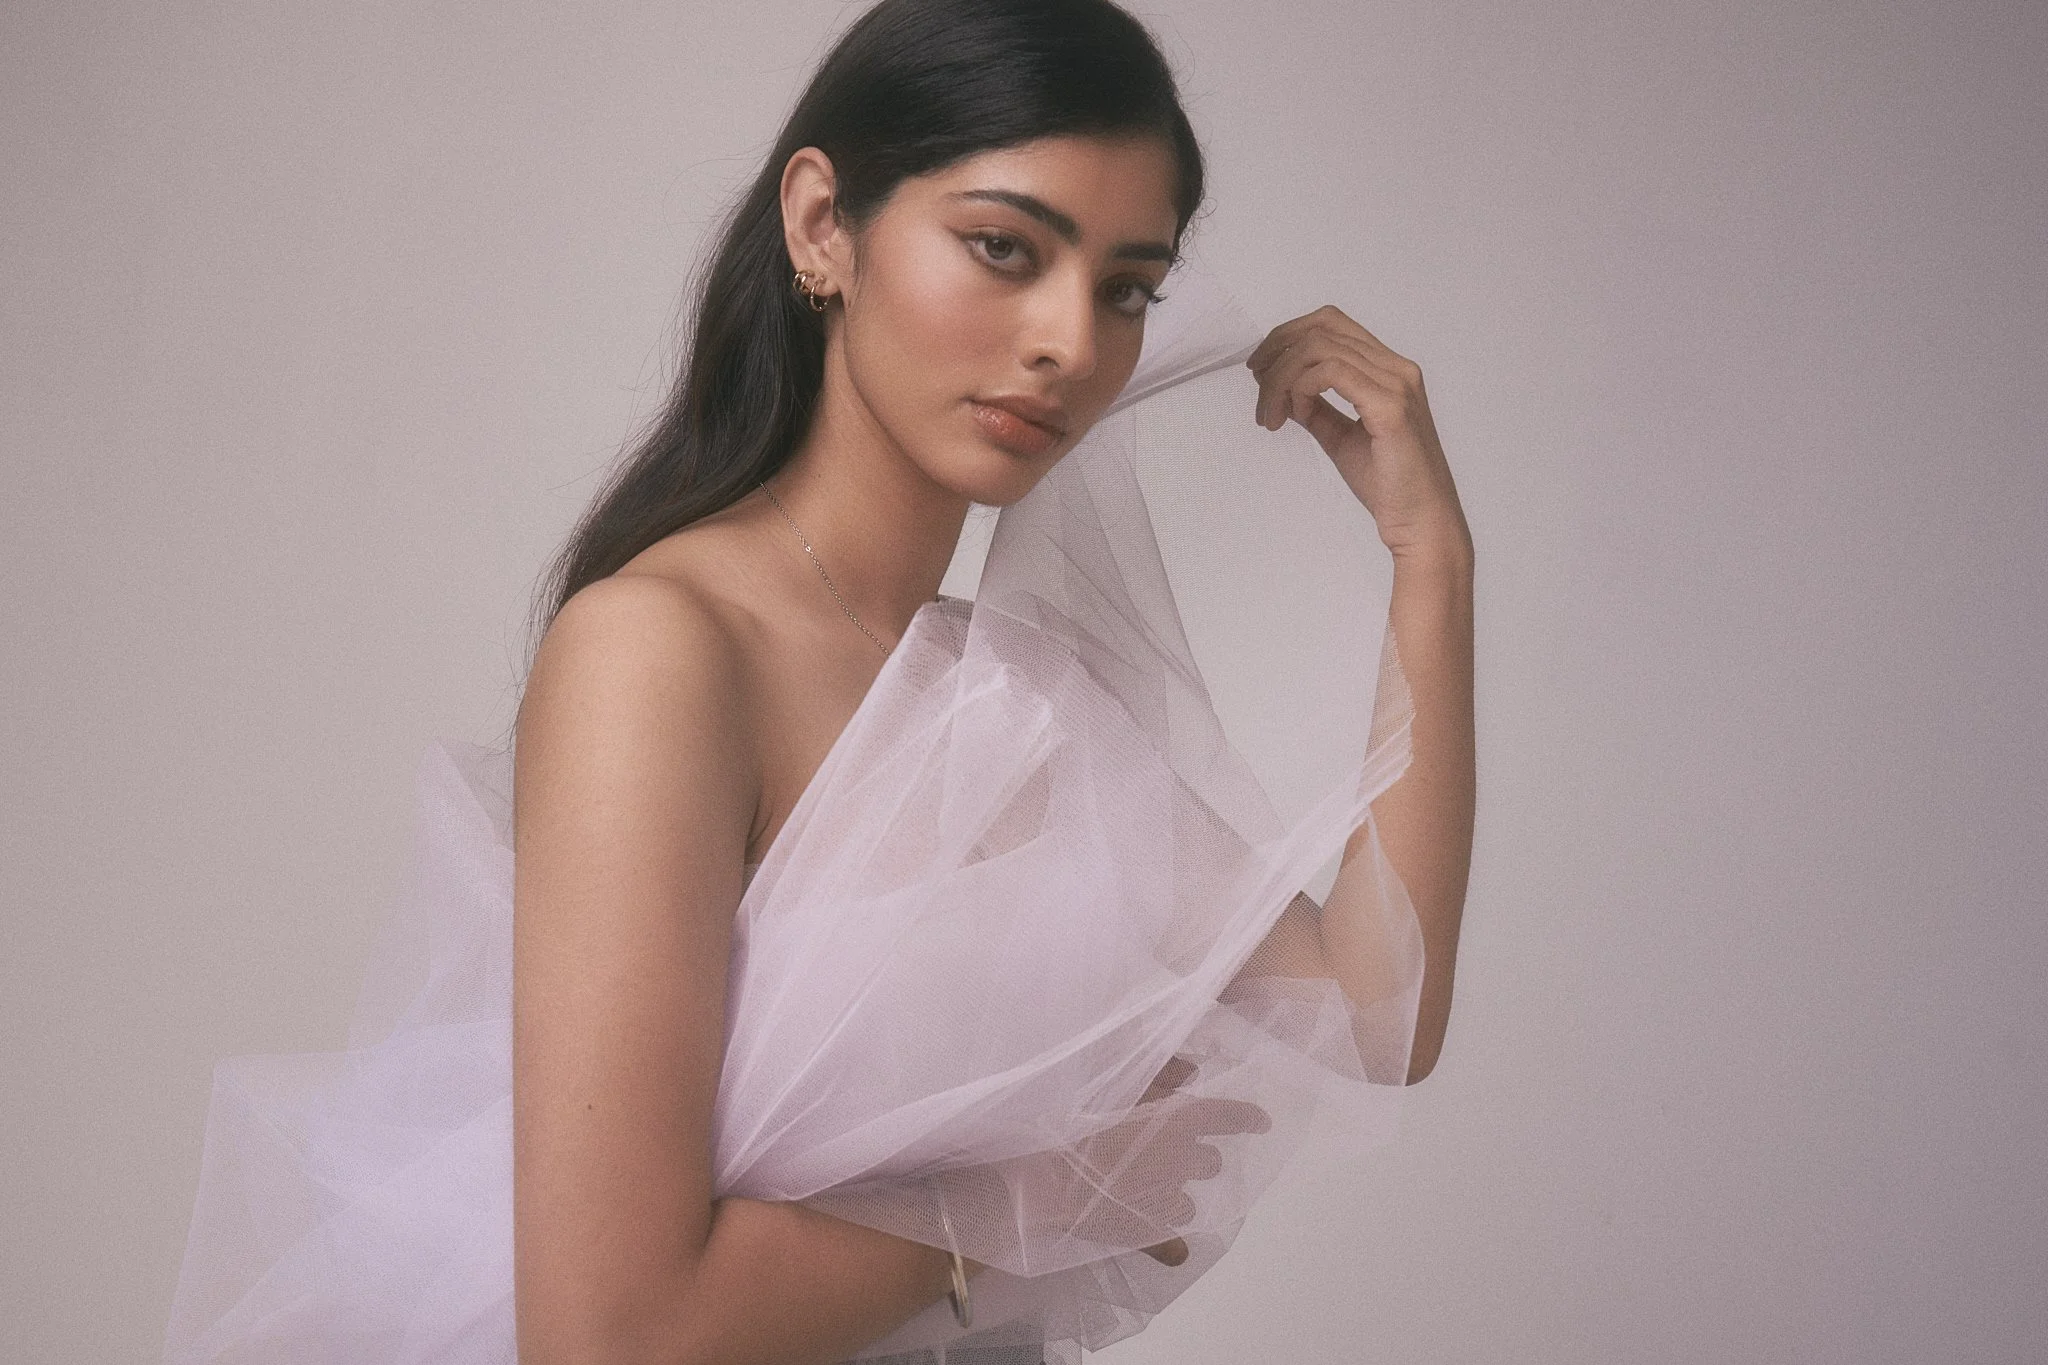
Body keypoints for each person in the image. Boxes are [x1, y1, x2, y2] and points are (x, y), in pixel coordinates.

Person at [160, 1, 1474, 1362]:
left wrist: (1429, 560)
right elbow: (606, 1336)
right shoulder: (664, 651)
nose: (1071, 342)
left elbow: (1371, 1014)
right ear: (821, 227)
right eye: (1005, 249)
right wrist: (1037, 1199)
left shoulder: (1015, 697)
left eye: (1126, 289)